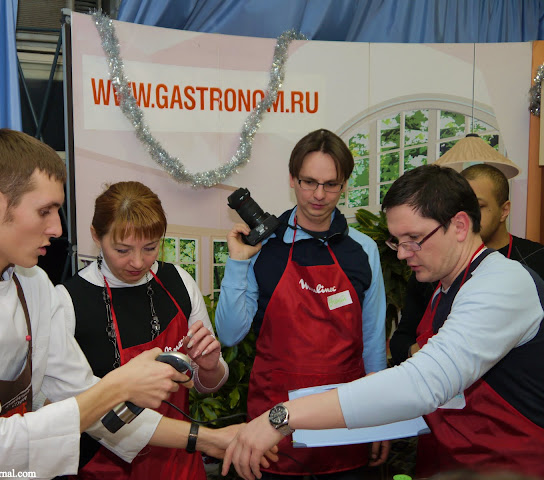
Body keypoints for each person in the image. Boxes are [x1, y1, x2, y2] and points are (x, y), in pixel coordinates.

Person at [0, 129, 240, 478]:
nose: (56, 228)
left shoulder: (34, 285)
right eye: (45, 211)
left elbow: (85, 398)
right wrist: (118, 386)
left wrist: (210, 439)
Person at [221, 164, 544, 480]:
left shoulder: (502, 282)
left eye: (414, 238)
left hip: (508, 466)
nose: (402, 254)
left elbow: (424, 382)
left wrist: (282, 416)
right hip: (448, 462)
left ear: (459, 225)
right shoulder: (443, 289)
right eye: (397, 240)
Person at [214, 129, 389, 479]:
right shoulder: (263, 246)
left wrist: (382, 417)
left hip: (346, 422)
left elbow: (372, 340)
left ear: (345, 185)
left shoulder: (363, 249)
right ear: (292, 179)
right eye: (309, 182)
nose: (319, 195)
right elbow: (230, 334)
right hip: (273, 429)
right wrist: (237, 262)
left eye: (331, 184)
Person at [57, 181, 230, 479]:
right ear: (96, 236)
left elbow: (204, 384)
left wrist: (210, 368)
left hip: (179, 461)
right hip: (105, 467)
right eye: (122, 250)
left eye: (150, 248)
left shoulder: (179, 282)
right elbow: (71, 410)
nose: (138, 262)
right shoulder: (68, 302)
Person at [389, 163, 544, 365]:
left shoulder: (512, 277)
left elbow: (441, 369)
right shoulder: (434, 272)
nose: (402, 254)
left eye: (478, 206)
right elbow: (404, 339)